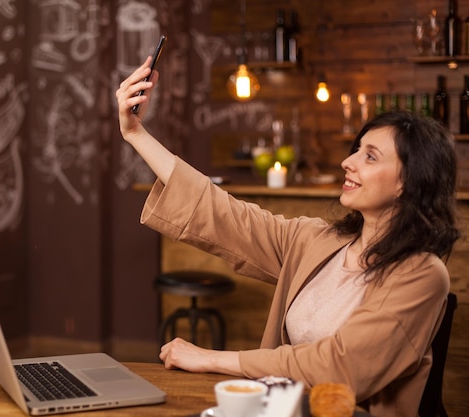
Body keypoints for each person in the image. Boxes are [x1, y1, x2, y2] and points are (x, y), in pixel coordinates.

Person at [116, 57, 461, 417]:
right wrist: (136, 133)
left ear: (410, 181)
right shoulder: (317, 241)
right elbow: (223, 214)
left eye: (370, 157)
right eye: (356, 149)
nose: (349, 161)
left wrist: (212, 359)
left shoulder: (422, 273)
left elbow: (341, 369)